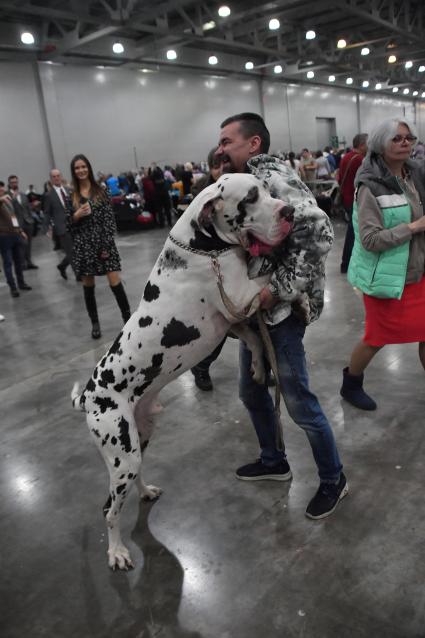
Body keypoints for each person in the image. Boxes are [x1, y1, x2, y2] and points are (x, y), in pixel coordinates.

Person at [215, 112, 346, 519]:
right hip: (258, 315)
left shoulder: (272, 178)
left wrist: (278, 290)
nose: (220, 148)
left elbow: (319, 232)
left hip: (282, 314)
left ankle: (333, 479)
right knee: (252, 392)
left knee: (300, 403)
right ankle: (274, 461)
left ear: (253, 144)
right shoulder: (242, 182)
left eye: (227, 141)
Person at [340, 118, 425, 410]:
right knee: (376, 339)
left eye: (409, 138)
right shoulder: (370, 186)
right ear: (380, 143)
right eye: (397, 138)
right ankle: (351, 383)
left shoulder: (415, 175)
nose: (405, 142)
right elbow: (370, 240)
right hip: (388, 278)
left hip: (419, 272)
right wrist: (413, 228)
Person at [67, 154, 131, 339]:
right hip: (83, 245)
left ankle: (127, 320)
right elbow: (67, 225)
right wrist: (76, 215)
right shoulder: (71, 195)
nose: (81, 170)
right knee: (88, 286)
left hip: (104, 244)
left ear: (89, 168)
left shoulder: (101, 191)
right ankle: (95, 323)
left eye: (83, 167)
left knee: (115, 282)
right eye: (77, 168)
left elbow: (110, 221)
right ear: (74, 171)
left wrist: (105, 244)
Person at [190, 147, 225, 390]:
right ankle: (201, 365)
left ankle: (261, 369)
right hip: (212, 268)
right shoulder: (201, 195)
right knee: (221, 326)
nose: (221, 170)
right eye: (216, 165)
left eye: (225, 163)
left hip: (242, 265)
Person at [338, 133, 368, 273]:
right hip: (356, 200)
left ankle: (347, 262)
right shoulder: (360, 160)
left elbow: (340, 178)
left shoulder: (346, 157)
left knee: (353, 231)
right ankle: (348, 263)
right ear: (362, 145)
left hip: (346, 198)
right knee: (355, 233)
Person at [43, 168, 77, 281]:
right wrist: (46, 227)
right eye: (54, 176)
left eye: (58, 175)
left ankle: (62, 266)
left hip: (74, 224)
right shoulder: (48, 195)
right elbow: (47, 213)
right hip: (61, 227)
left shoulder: (69, 190)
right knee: (71, 251)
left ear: (61, 177)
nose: (57, 178)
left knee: (77, 249)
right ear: (51, 179)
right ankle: (79, 275)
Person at [0, 181, 32, 297]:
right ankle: (13, 287)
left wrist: (20, 231)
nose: (2, 191)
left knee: (19, 261)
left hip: (15, 235)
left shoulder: (8, 202)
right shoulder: (2, 200)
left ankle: (21, 283)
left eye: (2, 189)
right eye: (0, 190)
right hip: (4, 238)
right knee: (8, 263)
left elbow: (13, 217)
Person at [7, 175, 38, 269]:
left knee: (28, 244)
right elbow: (9, 212)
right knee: (21, 244)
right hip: (17, 225)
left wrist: (33, 208)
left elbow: (28, 208)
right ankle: (22, 263)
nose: (14, 184)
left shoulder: (23, 194)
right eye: (12, 182)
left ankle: (29, 262)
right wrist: (15, 226)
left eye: (15, 182)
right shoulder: (7, 196)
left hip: (28, 223)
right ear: (9, 183)